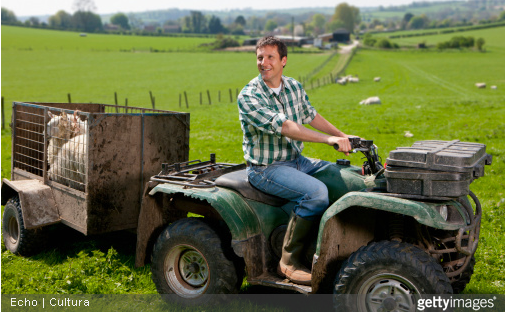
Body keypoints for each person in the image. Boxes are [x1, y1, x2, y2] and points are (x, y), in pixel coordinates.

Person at [237, 36, 352, 285]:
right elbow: (287, 127)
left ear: (284, 61)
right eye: (259, 57)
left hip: (297, 160)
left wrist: (342, 136)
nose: (263, 63)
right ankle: (287, 262)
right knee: (316, 193)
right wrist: (327, 141)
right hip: (266, 168)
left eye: (270, 57)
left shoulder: (293, 87)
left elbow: (310, 115)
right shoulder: (249, 96)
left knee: (347, 179)